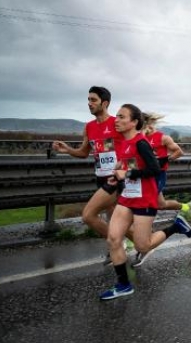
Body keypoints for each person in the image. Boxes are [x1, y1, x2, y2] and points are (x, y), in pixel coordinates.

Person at [100, 104, 191, 300]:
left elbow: (154, 169)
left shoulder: (141, 143)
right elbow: (125, 164)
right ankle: (123, 284)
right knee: (113, 238)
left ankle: (175, 226)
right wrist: (116, 175)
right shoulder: (121, 142)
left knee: (143, 246)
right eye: (116, 116)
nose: (116, 119)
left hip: (144, 198)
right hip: (127, 197)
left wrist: (129, 173)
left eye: (122, 117)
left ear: (134, 122)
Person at [52, 86, 126, 263]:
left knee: (89, 215)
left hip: (117, 178)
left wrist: (123, 167)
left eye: (93, 100)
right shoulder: (89, 127)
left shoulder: (117, 123)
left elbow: (133, 146)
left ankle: (118, 245)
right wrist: (67, 149)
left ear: (105, 103)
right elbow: (84, 153)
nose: (89, 103)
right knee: (112, 215)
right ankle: (133, 243)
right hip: (101, 177)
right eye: (88, 100)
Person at [129, 113, 191, 267]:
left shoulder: (162, 138)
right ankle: (186, 207)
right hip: (143, 176)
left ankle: (143, 243)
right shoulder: (137, 138)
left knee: (146, 206)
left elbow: (178, 151)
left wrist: (164, 160)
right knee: (160, 204)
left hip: (158, 175)